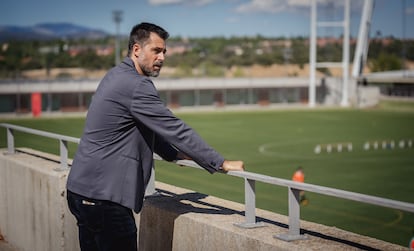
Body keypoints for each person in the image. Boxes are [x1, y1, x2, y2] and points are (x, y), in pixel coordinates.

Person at [66, 22, 244, 251]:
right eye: (156, 50)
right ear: (137, 49)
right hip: (104, 199)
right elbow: (174, 128)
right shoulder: (136, 85)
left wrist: (173, 154)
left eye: (164, 51)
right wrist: (219, 162)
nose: (162, 57)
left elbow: (144, 128)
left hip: (81, 192)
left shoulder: (115, 75)